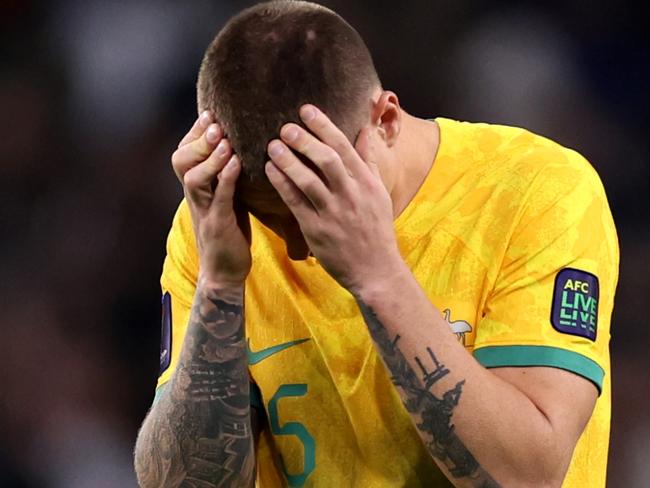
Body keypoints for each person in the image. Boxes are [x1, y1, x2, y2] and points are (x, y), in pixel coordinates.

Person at [133, 1, 618, 487]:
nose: (302, 249)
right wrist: (218, 285)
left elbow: (529, 476)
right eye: (272, 217)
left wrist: (378, 276)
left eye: (315, 197)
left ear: (385, 119)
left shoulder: (535, 190)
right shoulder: (217, 225)